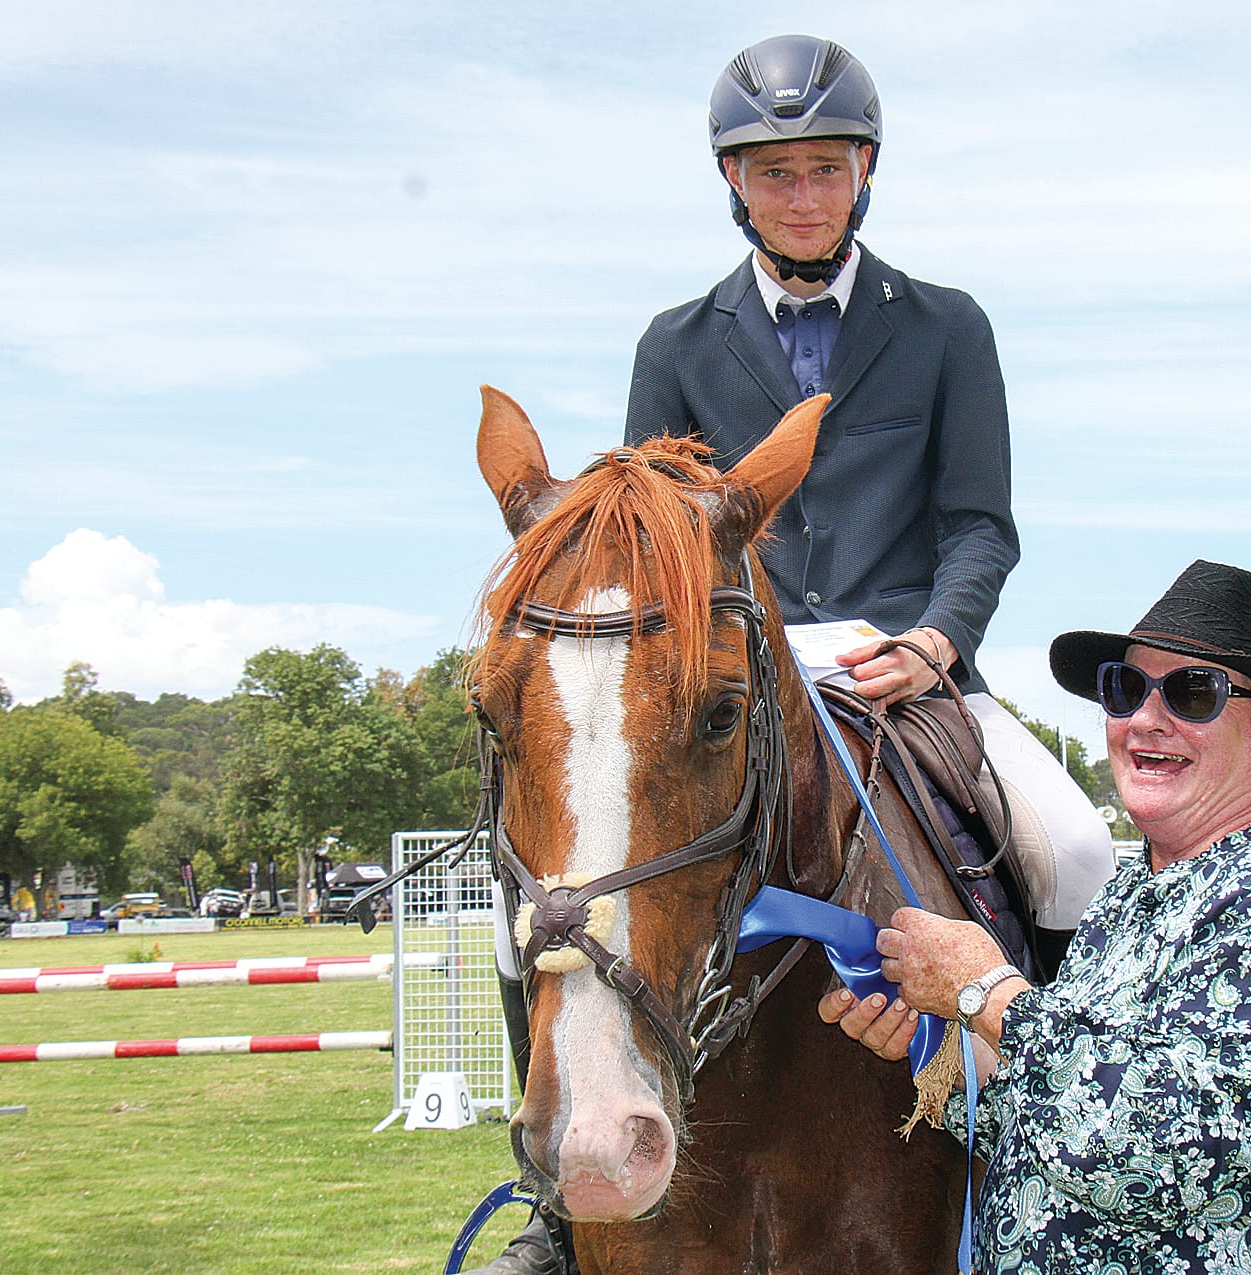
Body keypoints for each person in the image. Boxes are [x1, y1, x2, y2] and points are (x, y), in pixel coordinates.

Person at [479, 35, 1113, 1274]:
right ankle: (560, 1212)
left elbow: (978, 525)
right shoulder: (677, 339)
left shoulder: (944, 326)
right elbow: (648, 530)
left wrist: (936, 640)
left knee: (1077, 850)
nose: (803, 194)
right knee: (535, 911)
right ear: (734, 182)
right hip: (738, 665)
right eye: (775, 172)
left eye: (825, 168)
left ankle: (1062, 1154)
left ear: (865, 171)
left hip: (903, 666)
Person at [822, 559, 1251, 1272]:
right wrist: (934, 1049)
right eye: (1125, 689)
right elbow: (1054, 1113)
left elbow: (1153, 1150)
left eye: (1194, 693)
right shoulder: (1128, 897)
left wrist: (987, 992)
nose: (1144, 719)